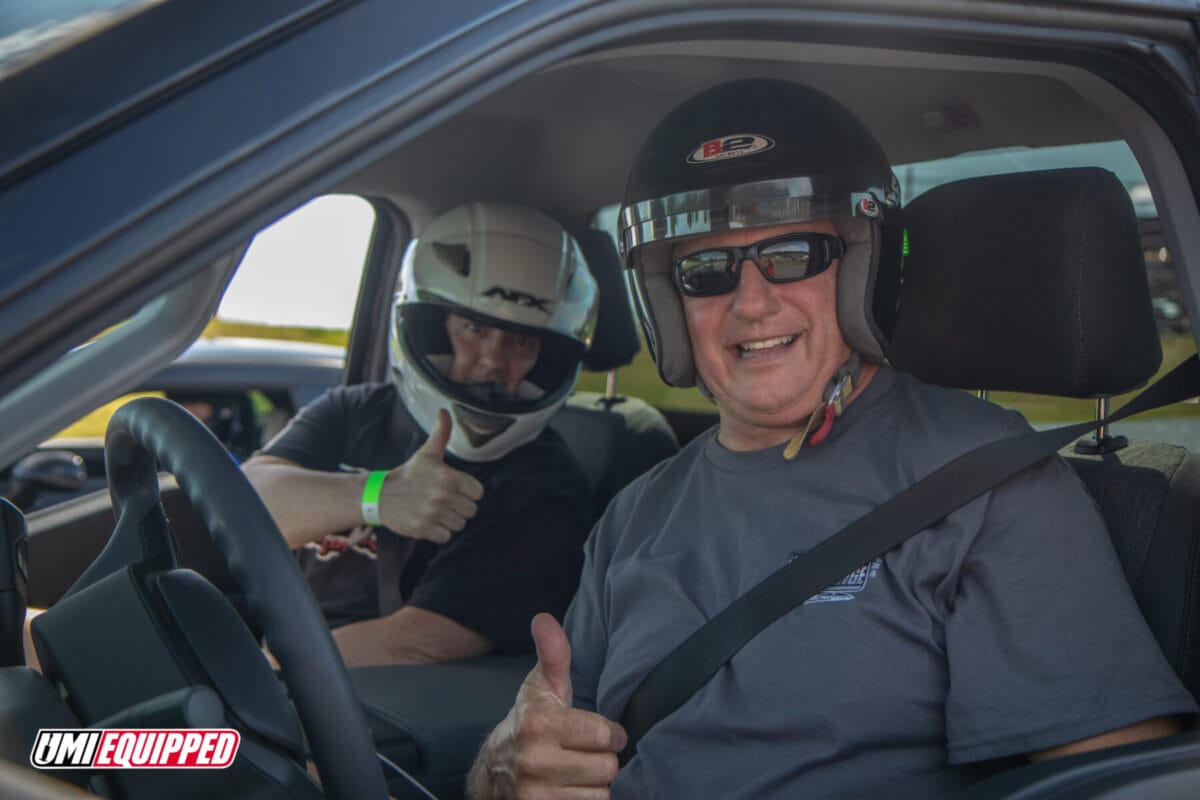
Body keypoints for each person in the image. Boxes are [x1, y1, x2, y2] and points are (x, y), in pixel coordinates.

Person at [467, 80, 1198, 798]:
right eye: (706, 270)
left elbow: (1120, 784)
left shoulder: (985, 484)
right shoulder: (636, 514)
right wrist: (501, 766)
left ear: (863, 270)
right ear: (669, 306)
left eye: (794, 255)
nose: (751, 304)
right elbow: (553, 747)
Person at [243, 202, 598, 668]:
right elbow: (245, 504)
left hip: (349, 695)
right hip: (277, 645)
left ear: (547, 357)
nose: (494, 360)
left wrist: (259, 671)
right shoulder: (356, 410)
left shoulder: (544, 488)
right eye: (473, 327)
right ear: (431, 327)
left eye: (522, 342)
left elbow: (423, 639)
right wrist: (378, 495)